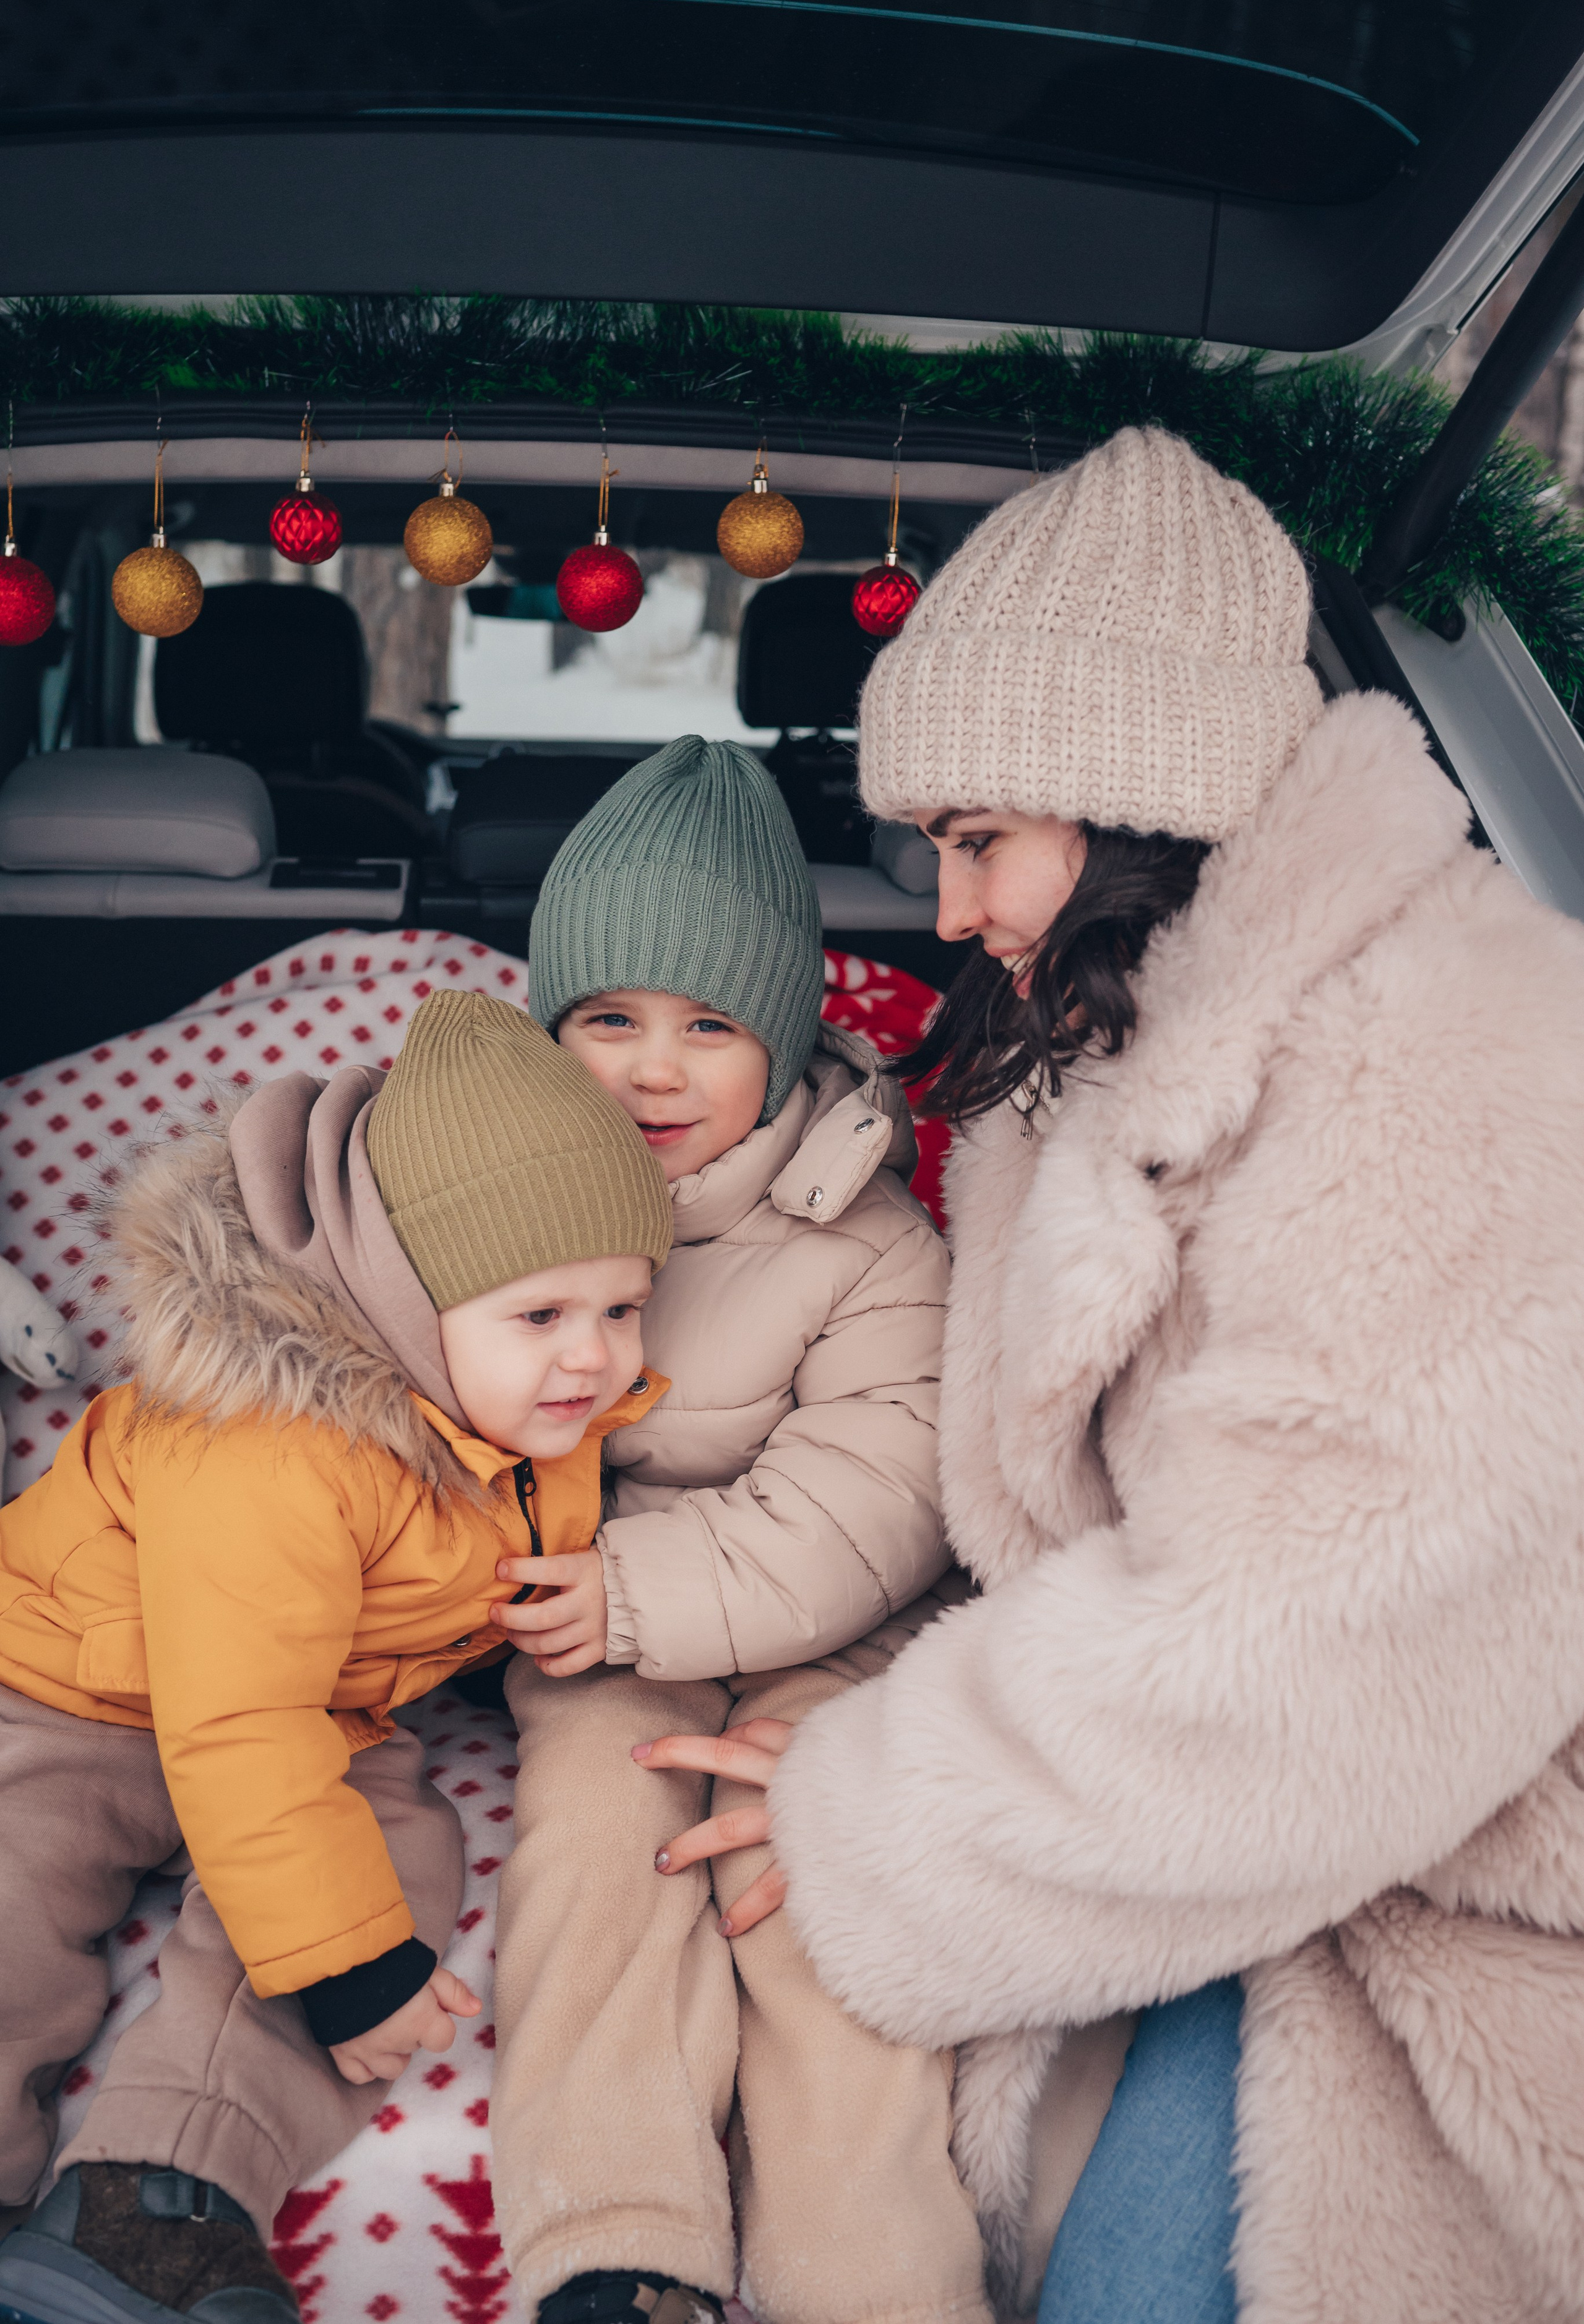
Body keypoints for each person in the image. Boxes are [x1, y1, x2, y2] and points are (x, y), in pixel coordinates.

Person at [637, 427, 1584, 2323]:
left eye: (981, 840)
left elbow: (1326, 1650)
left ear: (1141, 796)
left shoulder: (1463, 1052)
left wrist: (873, 1810)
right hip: (1196, 1825)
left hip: (1441, 1900)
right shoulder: (1095, 1072)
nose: (950, 908)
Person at [0, 988, 673, 2324]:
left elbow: (404, 1599)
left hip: (323, 1704)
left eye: (623, 1307)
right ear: (402, 1306)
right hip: (67, 1686)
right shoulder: (268, 1446)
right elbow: (234, 1716)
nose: (594, 1357)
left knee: (391, 1859)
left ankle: (156, 2196)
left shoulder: (526, 1409)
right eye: (539, 1314)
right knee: (20, 1893)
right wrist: (340, 1969)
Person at [487, 734, 991, 2324]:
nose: (653, 1070)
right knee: (595, 1833)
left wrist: (626, 1586)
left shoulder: (866, 1237)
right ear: (542, 1035)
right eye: (608, 1021)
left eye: (710, 1027)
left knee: (800, 1886)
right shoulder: (477, 1207)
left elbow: (871, 1500)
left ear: (783, 1045)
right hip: (595, 1632)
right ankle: (617, 2248)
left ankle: (875, 2279)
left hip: (826, 1632)